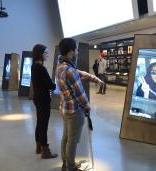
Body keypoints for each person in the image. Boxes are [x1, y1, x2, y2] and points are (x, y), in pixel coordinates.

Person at [57, 38, 103, 171]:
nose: (77, 52)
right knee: (72, 140)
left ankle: (66, 164)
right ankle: (71, 167)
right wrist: (87, 106)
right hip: (75, 111)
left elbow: (80, 74)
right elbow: (80, 93)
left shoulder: (61, 67)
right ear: (71, 51)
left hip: (65, 109)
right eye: (76, 49)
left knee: (66, 138)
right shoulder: (69, 69)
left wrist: (95, 78)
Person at [31, 44, 58, 159]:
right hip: (43, 99)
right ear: (40, 54)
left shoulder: (34, 66)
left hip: (37, 97)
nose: (48, 55)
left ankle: (39, 146)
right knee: (43, 124)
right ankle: (45, 150)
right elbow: (50, 85)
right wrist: (56, 85)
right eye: (46, 53)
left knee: (40, 122)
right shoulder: (41, 68)